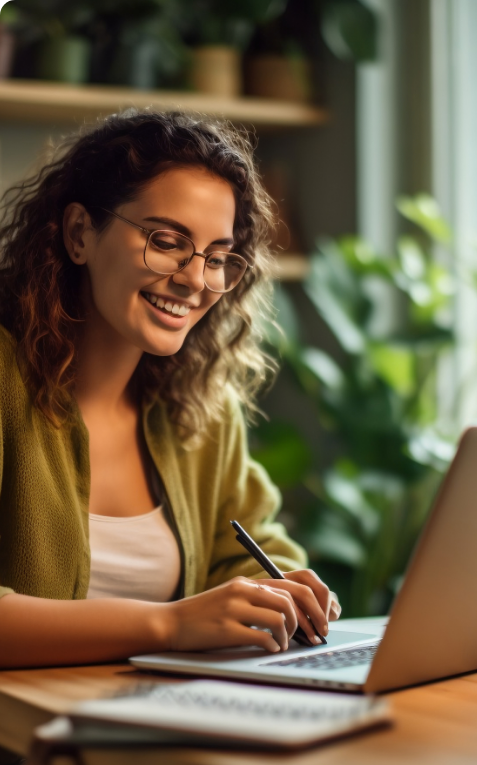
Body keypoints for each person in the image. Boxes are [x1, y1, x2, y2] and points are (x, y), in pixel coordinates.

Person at [0, 109, 342, 670]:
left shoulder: (201, 407)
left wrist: (283, 590)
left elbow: (254, 548)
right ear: (80, 233)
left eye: (218, 256)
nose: (195, 279)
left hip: (158, 722)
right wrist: (172, 624)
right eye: (166, 241)